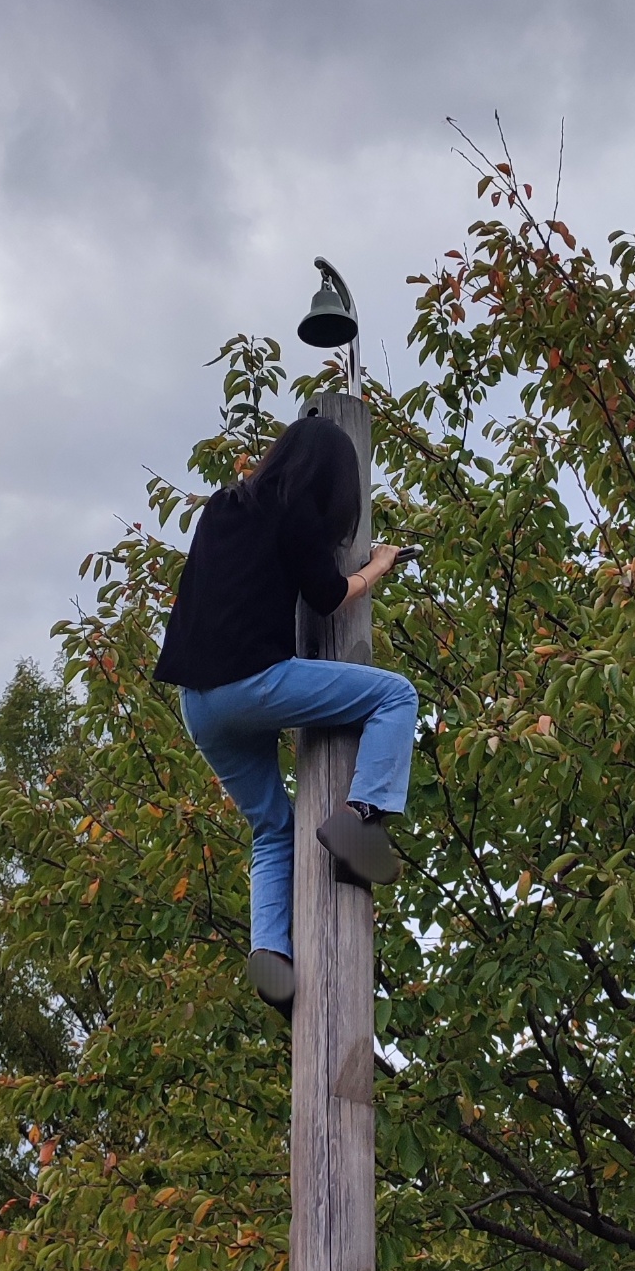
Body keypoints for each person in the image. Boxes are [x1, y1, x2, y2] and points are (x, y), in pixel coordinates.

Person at [155, 411, 417, 1019]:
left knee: (273, 826)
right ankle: (363, 815)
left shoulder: (223, 508)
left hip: (199, 704)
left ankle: (270, 947)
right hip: (254, 684)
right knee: (395, 696)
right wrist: (376, 565)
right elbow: (326, 597)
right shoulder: (296, 508)